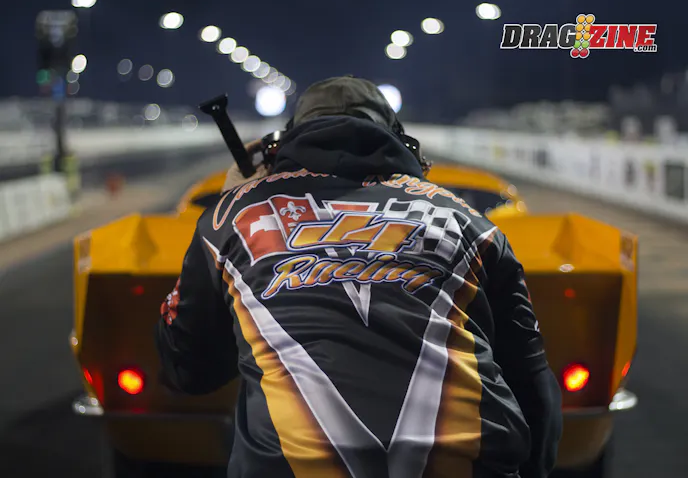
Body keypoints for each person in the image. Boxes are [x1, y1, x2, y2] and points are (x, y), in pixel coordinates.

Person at [156, 76, 562, 478]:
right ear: (404, 144)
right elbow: (533, 384)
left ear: (279, 148)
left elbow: (188, 370)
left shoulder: (232, 217)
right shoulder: (471, 223)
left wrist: (236, 198)